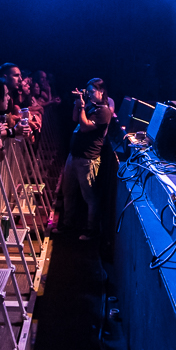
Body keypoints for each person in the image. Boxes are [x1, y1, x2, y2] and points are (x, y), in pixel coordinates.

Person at [57, 79, 114, 240]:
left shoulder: (104, 111)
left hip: (87, 159)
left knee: (89, 196)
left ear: (101, 91)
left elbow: (84, 127)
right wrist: (78, 105)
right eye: (87, 92)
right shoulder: (90, 106)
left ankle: (91, 230)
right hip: (74, 155)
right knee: (68, 191)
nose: (89, 95)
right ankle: (67, 225)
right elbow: (75, 118)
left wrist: (82, 107)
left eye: (92, 92)